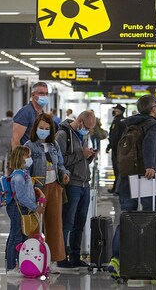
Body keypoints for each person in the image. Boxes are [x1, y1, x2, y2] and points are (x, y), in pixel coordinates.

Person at [107, 95, 156, 280]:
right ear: (153, 109)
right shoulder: (154, 125)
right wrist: (150, 166)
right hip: (146, 178)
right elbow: (150, 145)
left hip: (126, 177)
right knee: (152, 218)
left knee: (126, 216)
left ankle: (116, 259)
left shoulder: (127, 123)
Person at [25, 113, 70, 273]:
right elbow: (25, 170)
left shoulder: (54, 145)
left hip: (55, 187)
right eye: (41, 128)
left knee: (55, 224)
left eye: (46, 129)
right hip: (38, 189)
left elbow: (61, 164)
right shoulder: (29, 146)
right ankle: (32, 258)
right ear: (36, 128)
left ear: (51, 130)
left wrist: (64, 174)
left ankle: (53, 261)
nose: (43, 131)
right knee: (35, 225)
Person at [55, 109, 97, 270]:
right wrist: (81, 154)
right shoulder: (62, 135)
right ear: (80, 121)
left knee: (80, 223)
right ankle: (61, 256)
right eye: (87, 126)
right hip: (71, 184)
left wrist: (90, 156)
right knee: (67, 222)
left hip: (84, 184)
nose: (88, 130)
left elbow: (82, 159)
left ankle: (75, 255)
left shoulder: (84, 134)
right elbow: (60, 161)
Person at [5, 146, 46, 277]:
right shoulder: (18, 176)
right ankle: (11, 267)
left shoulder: (23, 173)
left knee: (21, 236)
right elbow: (21, 197)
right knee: (16, 237)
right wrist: (35, 207)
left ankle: (18, 263)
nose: (30, 159)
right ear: (20, 158)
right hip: (18, 208)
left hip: (22, 208)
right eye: (27, 156)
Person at [12, 82, 49, 148]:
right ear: (33, 95)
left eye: (46, 94)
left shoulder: (42, 114)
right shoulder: (26, 112)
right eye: (41, 93)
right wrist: (19, 158)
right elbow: (15, 140)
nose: (44, 96)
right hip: (26, 155)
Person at [106, 104, 127, 194]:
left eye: (115, 110)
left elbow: (114, 136)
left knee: (117, 169)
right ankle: (116, 188)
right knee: (120, 168)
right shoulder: (124, 120)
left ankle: (117, 189)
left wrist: (109, 146)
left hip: (116, 148)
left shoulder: (117, 121)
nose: (114, 111)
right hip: (122, 148)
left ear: (120, 111)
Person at [0, 110, 15, 174]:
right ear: (12, 115)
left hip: (2, 140)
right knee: (10, 156)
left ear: (6, 114)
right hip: (10, 141)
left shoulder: (2, 121)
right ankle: (9, 171)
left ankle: (0, 171)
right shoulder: (13, 122)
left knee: (2, 156)